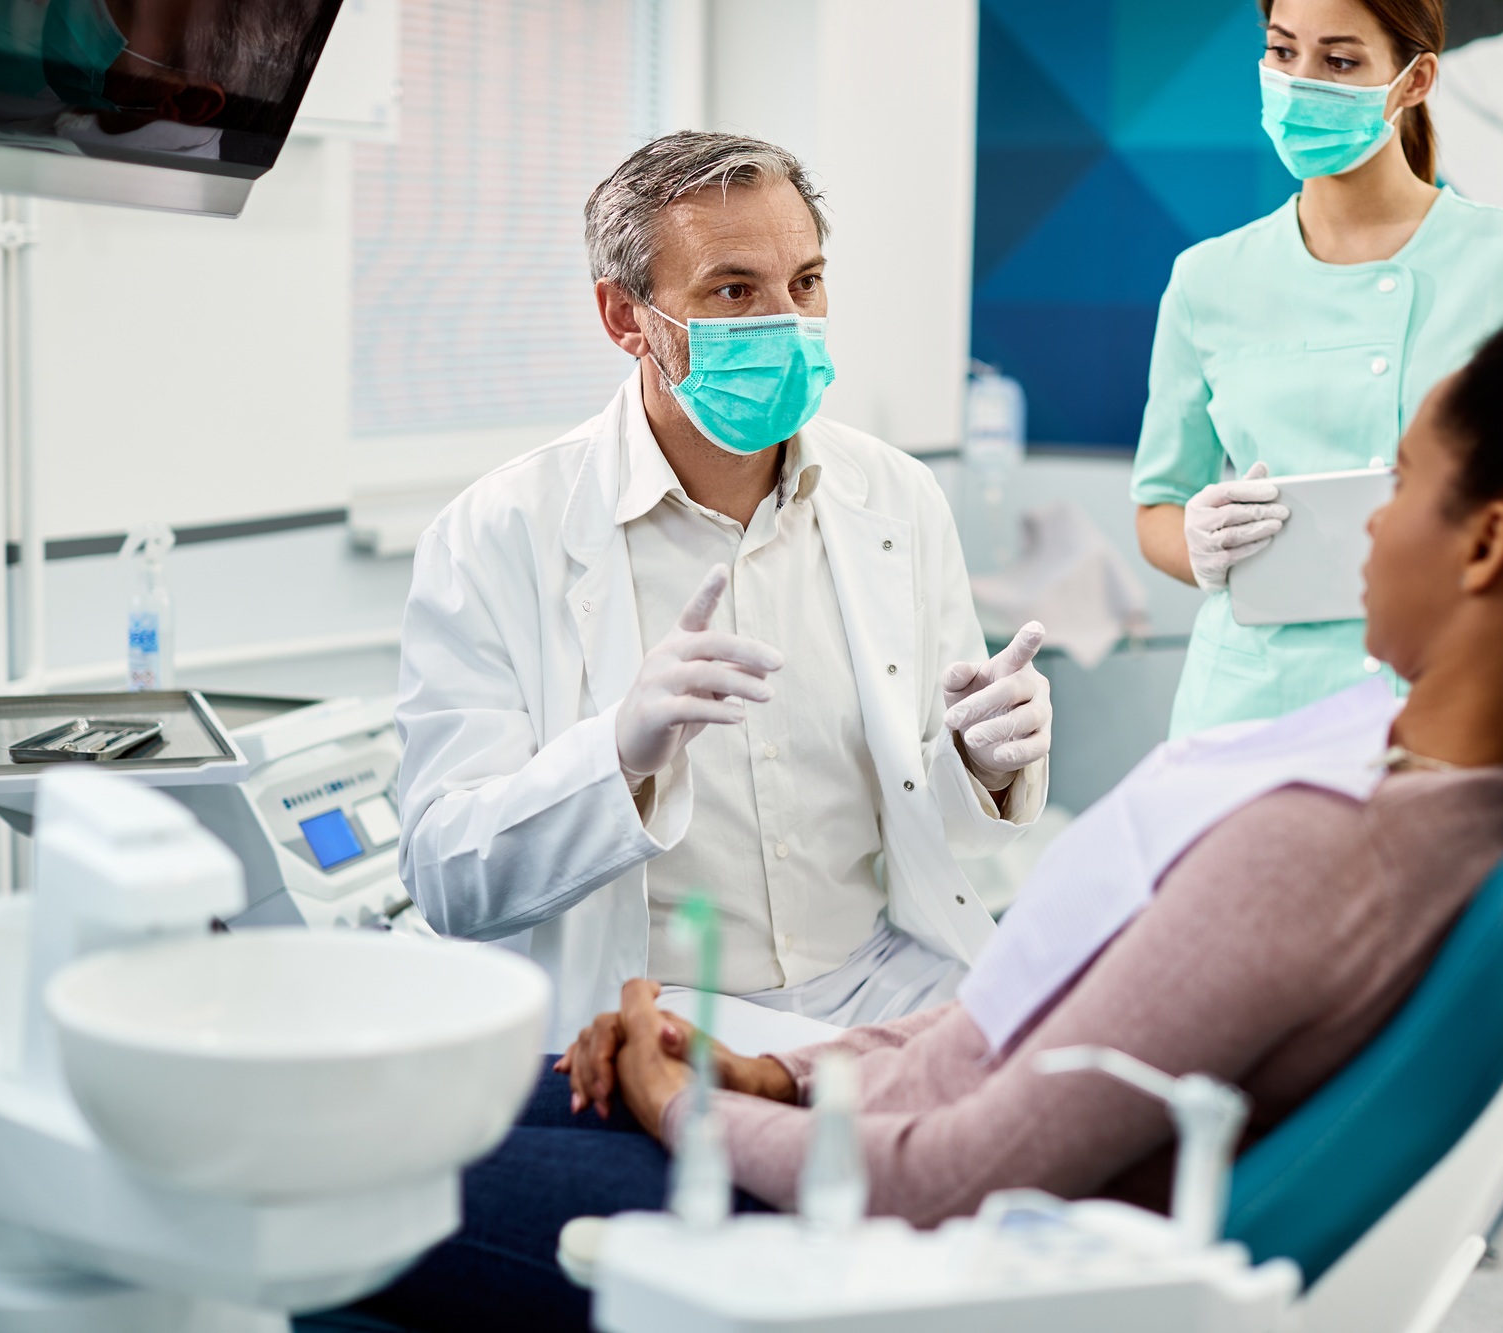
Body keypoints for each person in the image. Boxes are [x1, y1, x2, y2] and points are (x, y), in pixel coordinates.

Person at [321, 238, 1503, 1333]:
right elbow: (995, 1050)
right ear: (627, 316)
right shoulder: (1416, 785)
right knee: (428, 1104)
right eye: (739, 289)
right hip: (841, 1101)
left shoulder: (1327, 848)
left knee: (302, 1185)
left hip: (869, 1258)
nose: (1366, 524)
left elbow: (946, 1176)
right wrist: (746, 1063)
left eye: (1405, 480)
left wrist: (676, 1099)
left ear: (1490, 544)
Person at [394, 132, 1053, 1048]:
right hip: (658, 1021)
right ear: (627, 319)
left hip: (885, 989)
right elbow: (445, 878)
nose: (788, 322)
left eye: (808, 282)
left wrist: (979, 765)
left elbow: (947, 835)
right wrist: (617, 757)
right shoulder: (496, 535)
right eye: (734, 290)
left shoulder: (895, 496)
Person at [1132, 0, 1503, 738]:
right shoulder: (1207, 280)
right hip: (1251, 714)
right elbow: (1157, 506)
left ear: (1415, 80)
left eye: (1339, 62)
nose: (1300, 83)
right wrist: (1196, 542)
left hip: (1450, 703)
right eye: (1283, 52)